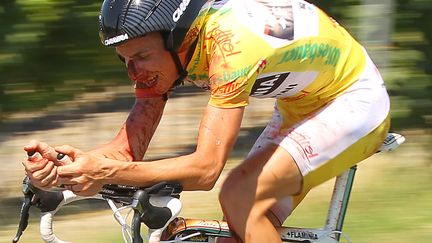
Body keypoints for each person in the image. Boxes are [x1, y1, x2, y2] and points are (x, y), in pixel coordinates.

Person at [22, 0, 391, 242]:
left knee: (239, 194)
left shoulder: (231, 45)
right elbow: (125, 152)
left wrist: (103, 171)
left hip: (354, 101)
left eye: (142, 57)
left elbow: (205, 170)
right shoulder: (168, 55)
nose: (133, 72)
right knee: (227, 230)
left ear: (178, 37)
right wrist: (67, 167)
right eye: (124, 59)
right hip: (301, 103)